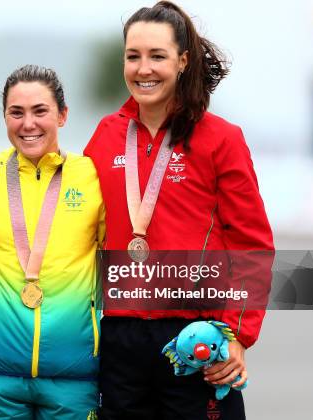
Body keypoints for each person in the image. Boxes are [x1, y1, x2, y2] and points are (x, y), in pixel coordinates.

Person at [83, 2, 274, 419]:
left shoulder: (220, 138)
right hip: (120, 337)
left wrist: (238, 335)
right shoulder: (105, 136)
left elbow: (251, 243)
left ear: (183, 61)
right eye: (133, 56)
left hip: (195, 338)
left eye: (157, 56)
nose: (143, 68)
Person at [0, 65, 105, 419]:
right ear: (5, 117)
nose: (28, 124)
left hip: (74, 377)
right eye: (16, 112)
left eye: (40, 111)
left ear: (63, 115)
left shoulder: (92, 176)